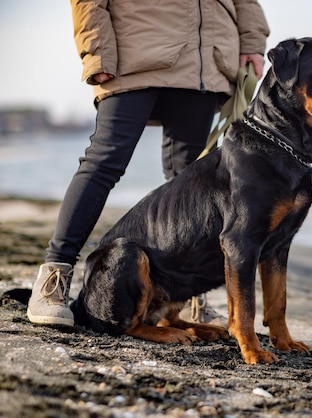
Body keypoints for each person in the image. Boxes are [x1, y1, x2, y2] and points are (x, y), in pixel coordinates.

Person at [27, 0, 270, 327]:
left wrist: (252, 42)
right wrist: (97, 50)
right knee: (105, 161)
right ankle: (53, 280)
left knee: (192, 180)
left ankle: (185, 295)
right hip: (135, 49)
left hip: (205, 60)